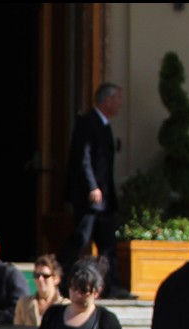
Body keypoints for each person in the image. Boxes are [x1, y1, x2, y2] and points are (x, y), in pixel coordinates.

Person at [60, 83, 122, 287]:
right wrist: (91, 186)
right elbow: (83, 158)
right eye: (117, 99)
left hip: (104, 198)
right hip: (91, 197)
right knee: (81, 237)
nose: (120, 103)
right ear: (107, 101)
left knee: (107, 243)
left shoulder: (104, 124)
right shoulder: (87, 122)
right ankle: (58, 274)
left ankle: (112, 286)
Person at [15, 255, 69, 326]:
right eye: (37, 276)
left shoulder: (65, 306)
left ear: (56, 279)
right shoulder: (23, 304)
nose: (40, 279)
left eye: (45, 276)